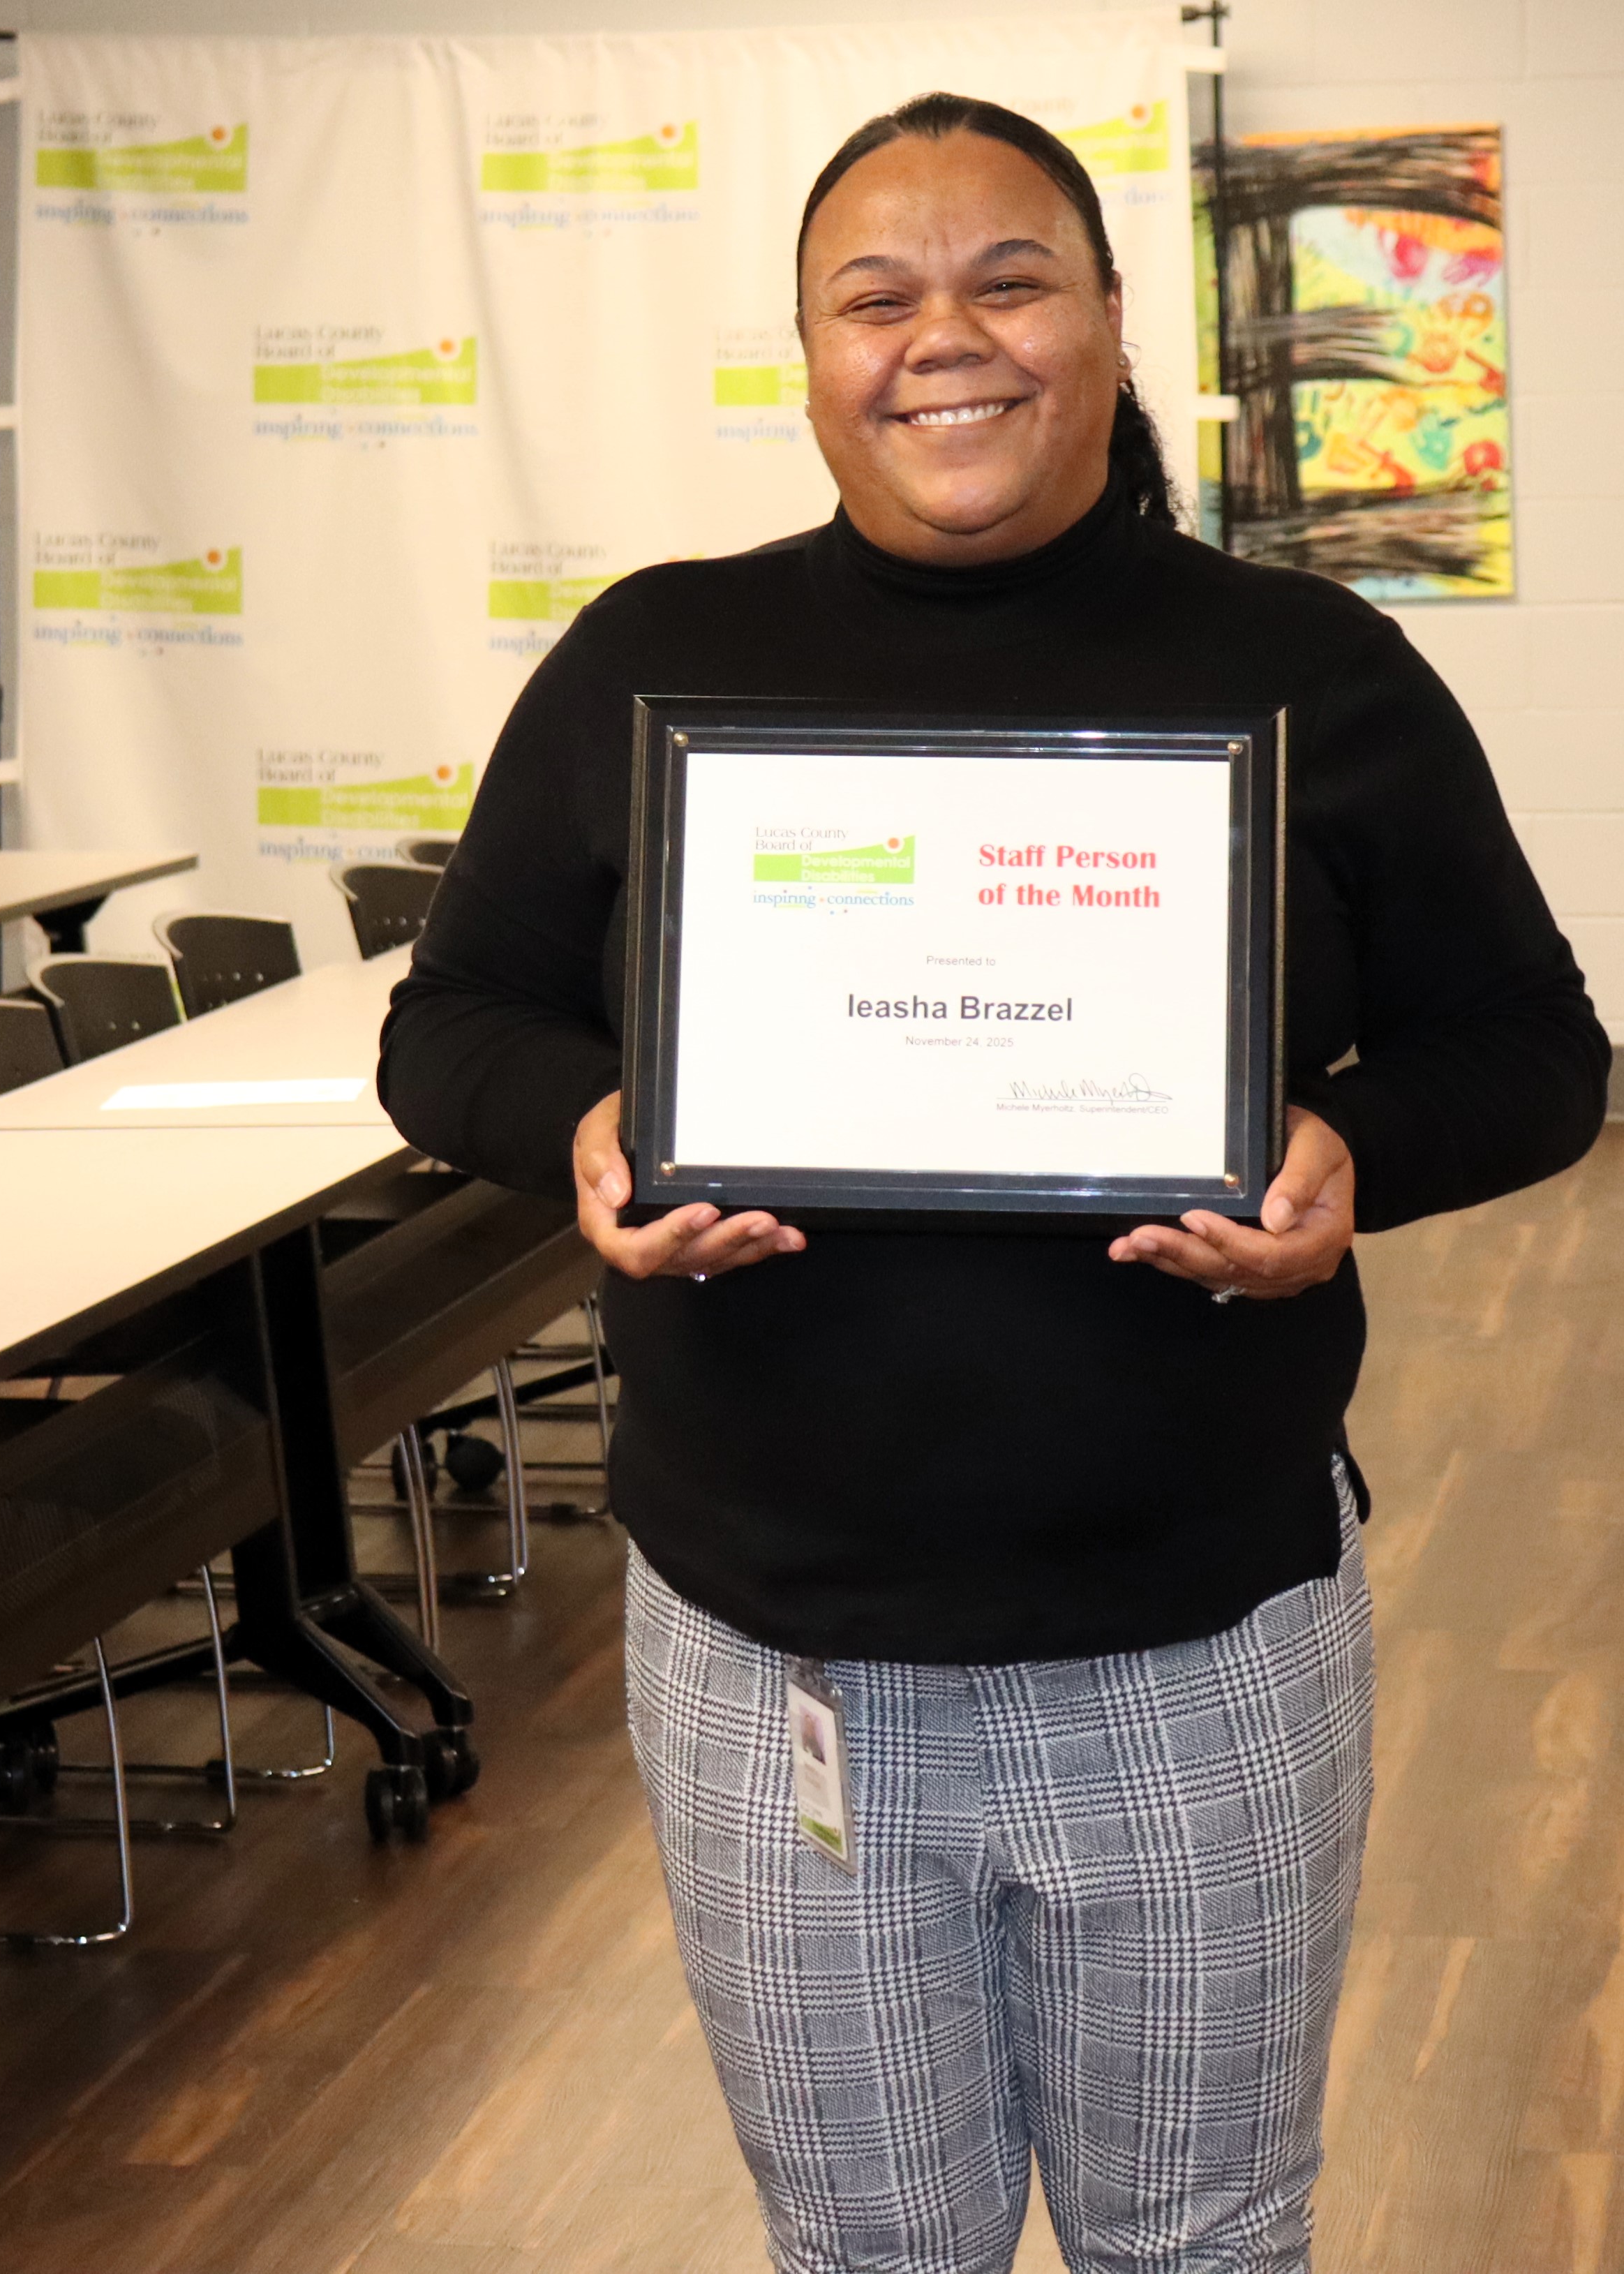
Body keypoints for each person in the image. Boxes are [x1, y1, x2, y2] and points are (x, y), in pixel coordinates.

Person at [380, 93, 1607, 2274]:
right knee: (864, 2247)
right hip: (776, 1657)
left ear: (1110, 330)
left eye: (1007, 278)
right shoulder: (644, 659)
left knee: (1201, 2237)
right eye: (876, 296)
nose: (943, 338)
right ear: (807, 356)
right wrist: (574, 1123)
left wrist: (1352, 1150)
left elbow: (1528, 1054)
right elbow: (445, 1024)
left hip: (1197, 1630)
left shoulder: (1310, 670)